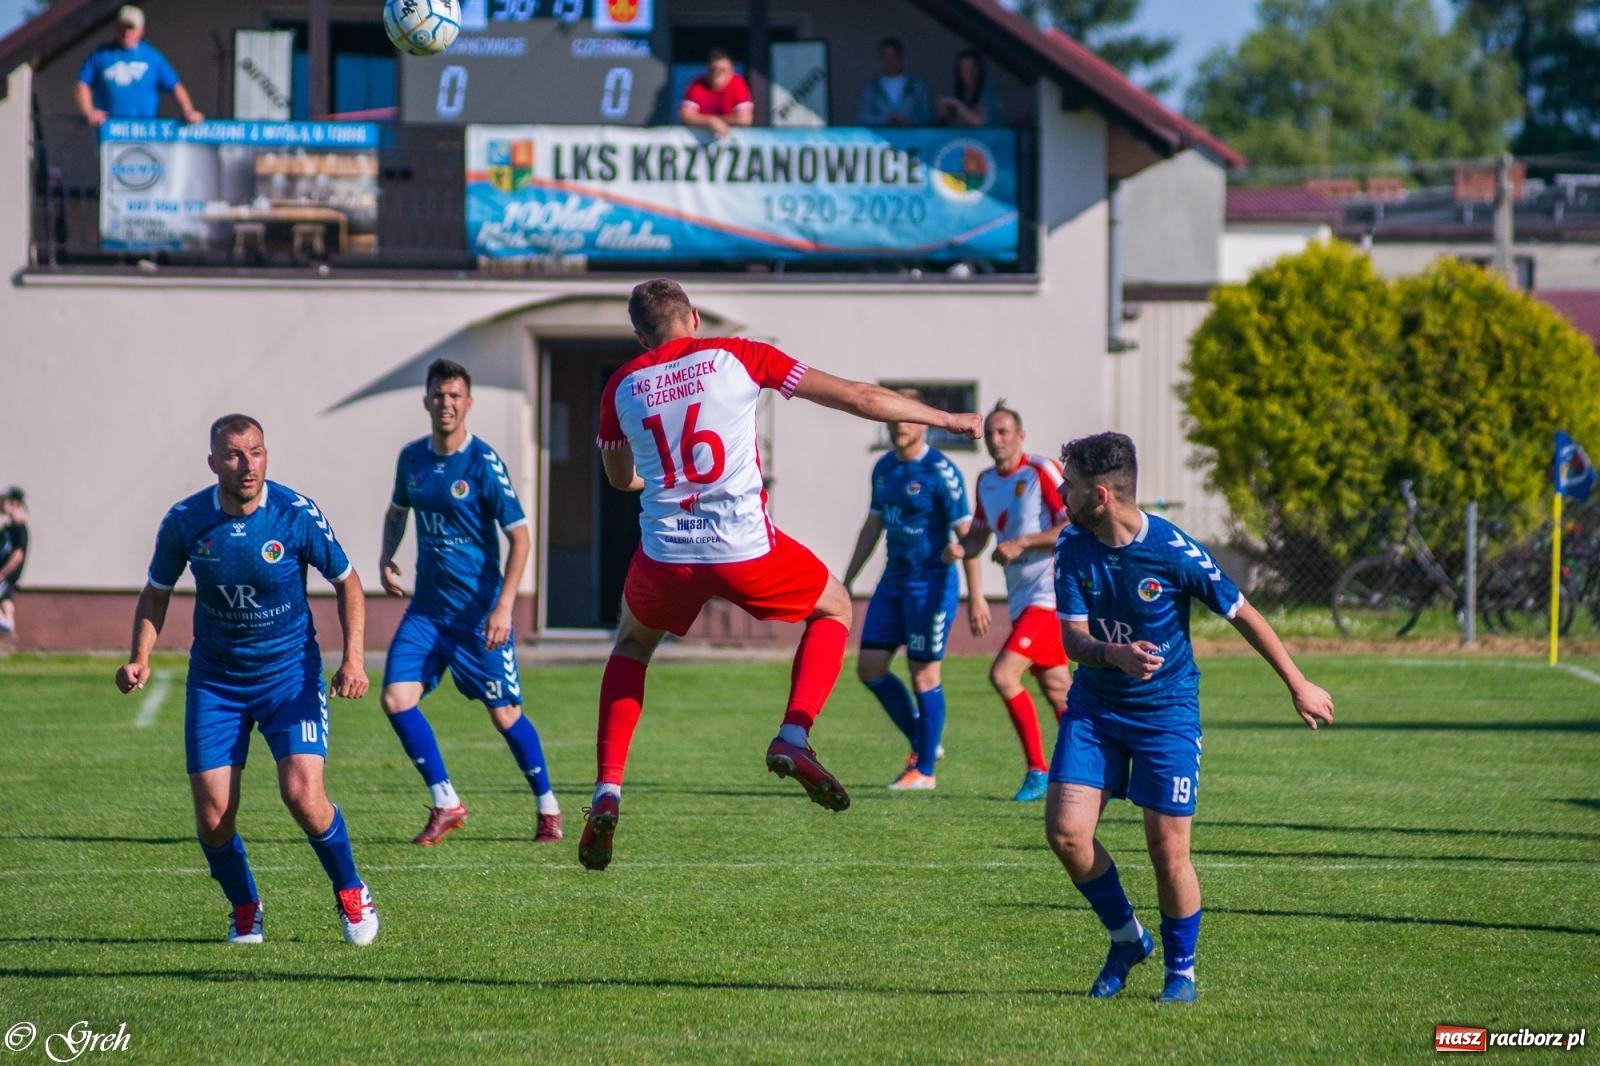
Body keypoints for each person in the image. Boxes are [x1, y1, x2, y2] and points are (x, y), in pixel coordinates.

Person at [579, 279, 982, 870]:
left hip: (667, 553)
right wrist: (944, 415)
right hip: (744, 548)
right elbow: (858, 397)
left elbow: (619, 480)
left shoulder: (621, 385)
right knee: (835, 606)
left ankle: (607, 789)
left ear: (639, 335)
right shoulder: (740, 354)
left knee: (633, 645)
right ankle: (793, 733)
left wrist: (660, 485)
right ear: (693, 316)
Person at [1047, 432, 1333, 1003]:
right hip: (1097, 708)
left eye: (1071, 484)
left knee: (1167, 851)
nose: (1061, 492)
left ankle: (1182, 973)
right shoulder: (1072, 544)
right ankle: (1128, 938)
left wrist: (1297, 683)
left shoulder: (1172, 550)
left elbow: (1241, 612)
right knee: (1067, 835)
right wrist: (1113, 654)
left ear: (1100, 494)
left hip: (1166, 715)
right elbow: (1073, 639)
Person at [113, 415, 378, 946]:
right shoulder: (186, 521)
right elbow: (157, 590)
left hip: (290, 676)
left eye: (256, 452)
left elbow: (348, 582)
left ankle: (351, 891)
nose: (247, 465)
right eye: (234, 455)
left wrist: (353, 660)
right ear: (214, 463)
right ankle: (245, 906)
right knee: (213, 819)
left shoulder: (295, 513)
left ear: (267, 455)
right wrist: (139, 655)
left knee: (303, 795)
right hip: (217, 682)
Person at [377, 358, 562, 847]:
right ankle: (445, 802)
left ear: (469, 403)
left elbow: (520, 538)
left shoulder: (483, 463)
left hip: (478, 616)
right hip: (427, 612)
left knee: (505, 715)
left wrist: (503, 608)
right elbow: (398, 510)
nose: (446, 404)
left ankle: (548, 807)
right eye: (439, 395)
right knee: (396, 698)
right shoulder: (412, 459)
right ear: (426, 401)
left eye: (455, 396)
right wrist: (386, 555)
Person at [843, 390, 972, 792]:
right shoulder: (884, 469)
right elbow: (872, 525)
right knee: (869, 668)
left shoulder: (941, 472)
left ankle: (925, 771)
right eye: (895, 418)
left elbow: (969, 536)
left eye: (908, 418)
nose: (900, 424)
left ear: (924, 423)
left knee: (924, 675)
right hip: (892, 582)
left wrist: (979, 596)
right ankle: (924, 741)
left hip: (930, 586)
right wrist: (847, 579)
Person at [947, 402, 1069, 802]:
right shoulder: (985, 481)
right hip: (1022, 599)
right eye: (991, 433)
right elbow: (979, 536)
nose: (996, 440)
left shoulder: (1041, 472)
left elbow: (1073, 525)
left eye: (1004, 432)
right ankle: (1100, 770)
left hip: (1051, 595)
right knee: (1059, 693)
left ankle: (1038, 770)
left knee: (1003, 675)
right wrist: (959, 550)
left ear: (1021, 436)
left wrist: (1023, 543)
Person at [75, 5, 204, 127]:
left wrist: (188, 111)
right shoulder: (101, 55)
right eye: (122, 27)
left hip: (144, 130)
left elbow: (175, 86)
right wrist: (89, 111)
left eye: (131, 28)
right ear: (115, 27)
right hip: (109, 130)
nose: (126, 32)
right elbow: (82, 83)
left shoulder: (152, 57)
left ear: (141, 31)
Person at [856, 37, 933, 128]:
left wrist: (910, 121)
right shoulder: (871, 87)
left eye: (893, 56)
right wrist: (887, 119)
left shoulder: (917, 84)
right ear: (880, 58)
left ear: (901, 57)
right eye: (885, 56)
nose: (890, 61)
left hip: (912, 138)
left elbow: (928, 114)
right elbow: (863, 117)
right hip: (883, 139)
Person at [679, 48, 754, 138]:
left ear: (731, 71)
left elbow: (745, 119)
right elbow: (685, 116)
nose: (717, 73)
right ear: (707, 69)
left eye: (723, 70)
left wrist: (715, 121)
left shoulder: (738, 83)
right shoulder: (697, 84)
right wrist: (710, 121)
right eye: (713, 69)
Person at [936, 48, 1003, 128]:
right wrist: (944, 111)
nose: (968, 72)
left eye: (971, 67)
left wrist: (957, 104)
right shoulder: (955, 90)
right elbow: (949, 122)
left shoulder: (988, 92)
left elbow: (983, 123)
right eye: (964, 68)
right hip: (959, 138)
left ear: (978, 69)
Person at [0, 487, 28, 638]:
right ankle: (8, 623)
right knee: (5, 597)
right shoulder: (8, 527)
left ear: (15, 503)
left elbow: (18, 555)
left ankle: (5, 624)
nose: (2, 504)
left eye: (6, 501)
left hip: (6, 573)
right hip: (4, 573)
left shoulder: (19, 529)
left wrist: (3, 573)